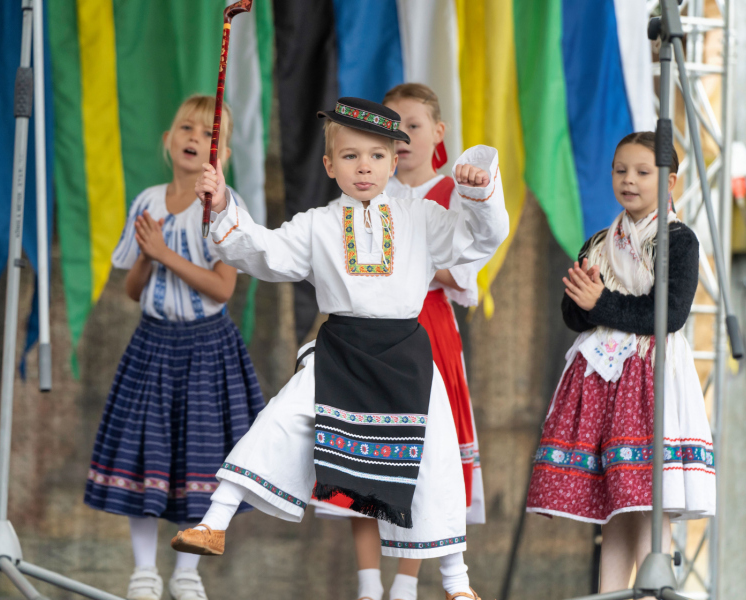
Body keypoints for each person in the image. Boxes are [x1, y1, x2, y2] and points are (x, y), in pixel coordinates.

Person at [171, 96, 509, 600]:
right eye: (350, 156)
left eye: (376, 156)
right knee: (279, 420)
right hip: (340, 351)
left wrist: (478, 191)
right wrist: (221, 206)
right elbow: (262, 251)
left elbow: (480, 239)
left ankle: (458, 584)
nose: (365, 167)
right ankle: (214, 522)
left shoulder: (421, 216)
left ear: (395, 161)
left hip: (406, 355)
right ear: (330, 166)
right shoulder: (317, 224)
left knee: (436, 457)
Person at [83, 95, 265, 600]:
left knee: (201, 465)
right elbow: (133, 288)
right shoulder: (146, 201)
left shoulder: (225, 208)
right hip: (152, 345)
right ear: (167, 139)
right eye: (186, 127)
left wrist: (165, 253)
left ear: (222, 154)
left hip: (208, 351)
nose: (193, 138)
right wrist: (148, 257)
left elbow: (224, 288)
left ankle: (188, 574)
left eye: (209, 134)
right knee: (147, 458)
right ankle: (144, 573)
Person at [311, 84, 486, 600]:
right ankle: (369, 584)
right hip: (364, 328)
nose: (403, 136)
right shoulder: (362, 195)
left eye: (413, 125)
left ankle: (405, 585)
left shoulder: (446, 195)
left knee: (418, 454)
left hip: (425, 329)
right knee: (363, 447)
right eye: (394, 127)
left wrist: (414, 258)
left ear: (438, 132)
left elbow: (466, 274)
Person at [526, 132, 715, 593]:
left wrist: (601, 300)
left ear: (670, 180)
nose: (628, 180)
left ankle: (656, 587)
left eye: (642, 172)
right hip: (604, 378)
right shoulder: (599, 241)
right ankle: (611, 592)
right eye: (620, 170)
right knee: (617, 494)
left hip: (652, 374)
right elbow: (575, 314)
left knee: (652, 492)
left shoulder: (677, 241)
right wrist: (586, 299)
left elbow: (668, 315)